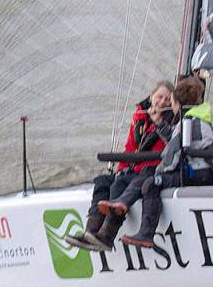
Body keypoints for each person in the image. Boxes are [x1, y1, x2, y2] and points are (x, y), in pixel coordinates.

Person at [65, 81, 176, 250]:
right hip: (134, 168)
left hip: (151, 168)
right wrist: (122, 169)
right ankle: (91, 231)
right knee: (103, 181)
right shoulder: (140, 116)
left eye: (168, 99)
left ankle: (107, 235)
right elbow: (130, 147)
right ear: (151, 96)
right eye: (159, 97)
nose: (162, 102)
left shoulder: (172, 120)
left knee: (119, 184)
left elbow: (170, 145)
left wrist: (158, 121)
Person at [120, 77, 213, 248]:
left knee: (151, 184)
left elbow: (172, 155)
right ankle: (145, 232)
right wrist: (160, 124)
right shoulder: (198, 117)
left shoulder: (188, 122)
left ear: (176, 102)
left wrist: (158, 173)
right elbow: (176, 140)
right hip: (207, 172)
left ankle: (146, 233)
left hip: (199, 174)